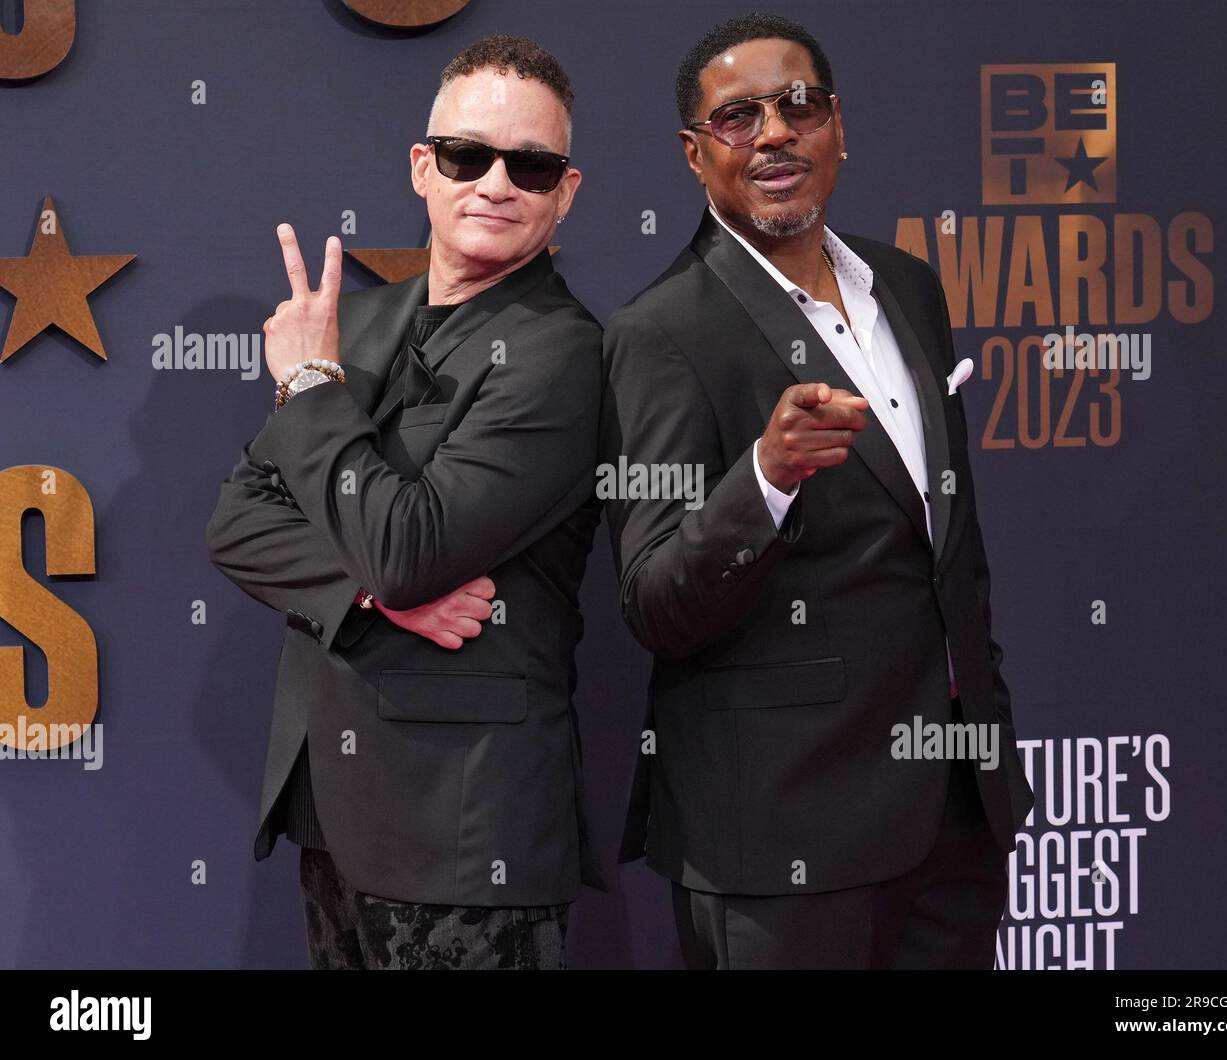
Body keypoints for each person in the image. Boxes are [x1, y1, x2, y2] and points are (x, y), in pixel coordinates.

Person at [601, 13, 1034, 969]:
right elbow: (654, 604)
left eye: (798, 104)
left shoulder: (911, 286)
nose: (773, 133)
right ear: (695, 152)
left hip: (956, 814)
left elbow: (947, 550)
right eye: (737, 116)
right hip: (782, 839)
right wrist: (767, 476)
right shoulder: (662, 331)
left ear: (838, 122)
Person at [206, 35, 605, 969]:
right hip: (335, 817)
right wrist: (368, 598)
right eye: (469, 156)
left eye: (531, 166)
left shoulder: (563, 355)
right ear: (424, 169)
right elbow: (238, 523)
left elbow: (410, 550)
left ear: (566, 192)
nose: (496, 184)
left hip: (470, 833)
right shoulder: (365, 321)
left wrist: (309, 380)